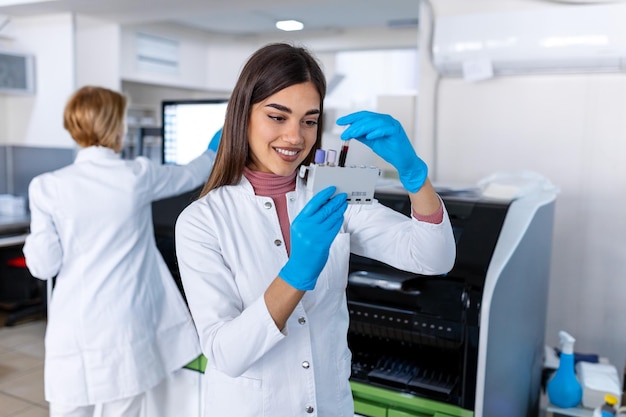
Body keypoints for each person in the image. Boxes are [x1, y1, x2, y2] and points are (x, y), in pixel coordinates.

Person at [175, 43, 456, 417]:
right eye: (277, 117)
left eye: (309, 121)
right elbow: (227, 354)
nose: (295, 137)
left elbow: (432, 257)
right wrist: (297, 271)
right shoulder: (203, 220)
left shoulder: (331, 193)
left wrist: (415, 175)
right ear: (243, 116)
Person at [22, 85, 220, 417]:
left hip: (72, 328)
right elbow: (193, 173)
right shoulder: (135, 175)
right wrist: (217, 144)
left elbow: (44, 266)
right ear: (116, 126)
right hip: (124, 325)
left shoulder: (47, 187)